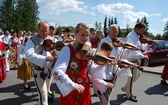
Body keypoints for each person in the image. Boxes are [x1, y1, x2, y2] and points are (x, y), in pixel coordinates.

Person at [52, 22, 94, 105]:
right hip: (72, 88)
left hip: (84, 87)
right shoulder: (67, 49)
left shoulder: (87, 49)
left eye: (87, 35)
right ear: (75, 34)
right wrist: (72, 85)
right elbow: (57, 72)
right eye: (82, 35)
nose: (85, 38)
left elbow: (88, 69)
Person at [92, 24, 132, 105]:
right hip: (104, 71)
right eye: (114, 31)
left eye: (117, 31)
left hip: (114, 69)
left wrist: (129, 49)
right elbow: (99, 56)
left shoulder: (118, 42)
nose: (115, 33)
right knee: (104, 92)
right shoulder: (104, 41)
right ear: (109, 31)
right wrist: (108, 61)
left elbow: (123, 55)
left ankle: (104, 101)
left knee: (109, 91)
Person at [25, 21, 56, 105]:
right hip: (39, 71)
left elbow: (58, 51)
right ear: (38, 29)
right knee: (43, 95)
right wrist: (45, 58)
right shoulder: (32, 40)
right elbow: (29, 54)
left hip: (49, 71)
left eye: (47, 30)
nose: (45, 33)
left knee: (47, 90)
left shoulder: (52, 39)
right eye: (43, 30)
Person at [121, 22, 149, 102]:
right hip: (131, 59)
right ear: (137, 28)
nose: (142, 32)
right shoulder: (131, 36)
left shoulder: (136, 36)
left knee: (138, 74)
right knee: (131, 77)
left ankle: (126, 88)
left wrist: (147, 44)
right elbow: (132, 50)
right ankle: (129, 95)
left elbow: (139, 47)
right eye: (142, 30)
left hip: (135, 59)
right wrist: (143, 56)